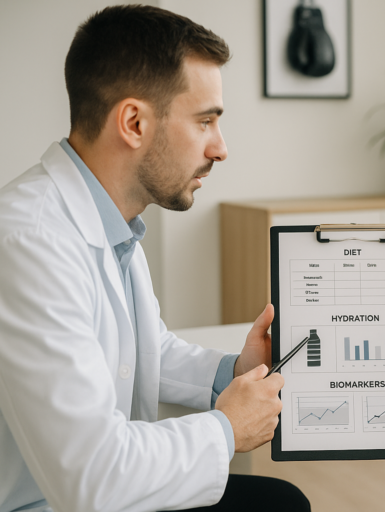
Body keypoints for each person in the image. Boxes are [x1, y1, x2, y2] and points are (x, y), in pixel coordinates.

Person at [0, 5, 310, 512]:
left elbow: (141, 351)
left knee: (282, 502)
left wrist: (234, 371)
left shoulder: (111, 220)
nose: (221, 148)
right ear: (134, 122)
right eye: (205, 121)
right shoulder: (29, 242)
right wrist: (226, 428)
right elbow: (90, 478)